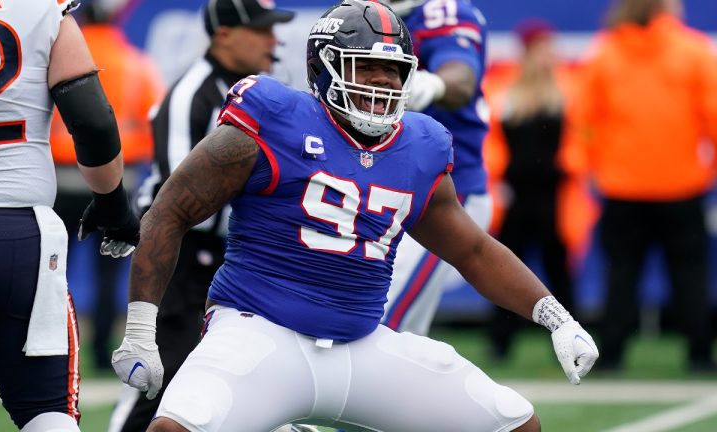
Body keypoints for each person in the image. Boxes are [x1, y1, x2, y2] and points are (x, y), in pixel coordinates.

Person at [111, 1, 599, 431]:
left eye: (394, 70)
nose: (383, 81)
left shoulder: (421, 145)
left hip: (360, 343)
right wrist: (139, 330)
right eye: (365, 67)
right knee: (176, 427)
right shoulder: (273, 116)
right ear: (324, 67)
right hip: (258, 333)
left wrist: (556, 318)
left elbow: (472, 250)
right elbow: (170, 212)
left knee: (512, 421)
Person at [0, 0, 140, 431]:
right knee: (48, 414)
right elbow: (92, 121)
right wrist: (113, 204)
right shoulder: (39, 8)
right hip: (17, 239)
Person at [109, 0, 296, 430]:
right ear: (224, 34)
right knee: (159, 376)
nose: (274, 40)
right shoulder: (192, 92)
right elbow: (178, 200)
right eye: (262, 29)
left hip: (235, 254)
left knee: (254, 375)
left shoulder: (267, 91)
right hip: (182, 251)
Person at [571, 0, 717, 372]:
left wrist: (591, 164)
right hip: (682, 185)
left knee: (621, 275)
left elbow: (583, 120)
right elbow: (713, 115)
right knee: (689, 275)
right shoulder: (693, 51)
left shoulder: (606, 53)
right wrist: (710, 167)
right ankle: (700, 355)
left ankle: (611, 356)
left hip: (622, 187)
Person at [50, 0, 165, 372]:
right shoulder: (136, 64)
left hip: (59, 181)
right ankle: (100, 354)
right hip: (117, 183)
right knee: (108, 274)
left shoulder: (57, 58)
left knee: (52, 271)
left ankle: (53, 348)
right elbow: (154, 128)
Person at [378, 0, 493, 335]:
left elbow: (461, 79)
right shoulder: (364, 12)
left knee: (380, 321)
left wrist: (430, 85)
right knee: (399, 333)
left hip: (442, 193)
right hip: (382, 185)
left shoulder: (441, 12)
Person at [487, 19, 575, 361]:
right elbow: (491, 143)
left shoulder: (567, 90)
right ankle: (500, 342)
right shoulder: (505, 89)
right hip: (516, 198)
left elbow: (582, 140)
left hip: (555, 197)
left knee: (559, 273)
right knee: (506, 271)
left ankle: (570, 340)